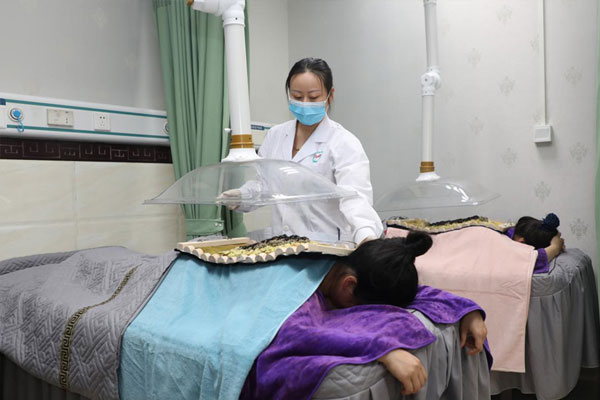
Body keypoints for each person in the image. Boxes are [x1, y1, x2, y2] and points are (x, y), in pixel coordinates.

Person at [224, 57, 383, 245]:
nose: (305, 103)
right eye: (298, 97)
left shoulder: (343, 142)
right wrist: (243, 196)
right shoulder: (276, 135)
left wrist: (366, 235)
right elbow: (266, 185)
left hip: (326, 247)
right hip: (281, 245)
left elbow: (354, 198)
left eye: (313, 97)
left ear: (330, 95)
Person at [317, 232, 488, 395]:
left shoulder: (345, 270)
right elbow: (304, 336)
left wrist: (467, 310)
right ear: (348, 286)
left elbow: (421, 292)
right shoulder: (307, 289)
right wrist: (384, 351)